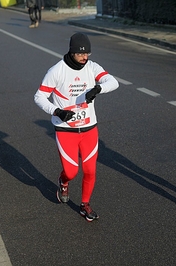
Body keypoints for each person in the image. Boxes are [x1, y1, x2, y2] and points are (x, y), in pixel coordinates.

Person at [34, 33, 119, 222]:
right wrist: (57, 111)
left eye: (87, 53)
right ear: (72, 52)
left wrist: (98, 89)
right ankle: (63, 182)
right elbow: (39, 97)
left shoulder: (92, 67)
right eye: (81, 54)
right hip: (66, 130)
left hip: (89, 128)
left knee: (90, 170)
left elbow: (113, 82)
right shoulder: (57, 71)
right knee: (71, 171)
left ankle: (84, 205)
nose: (85, 57)